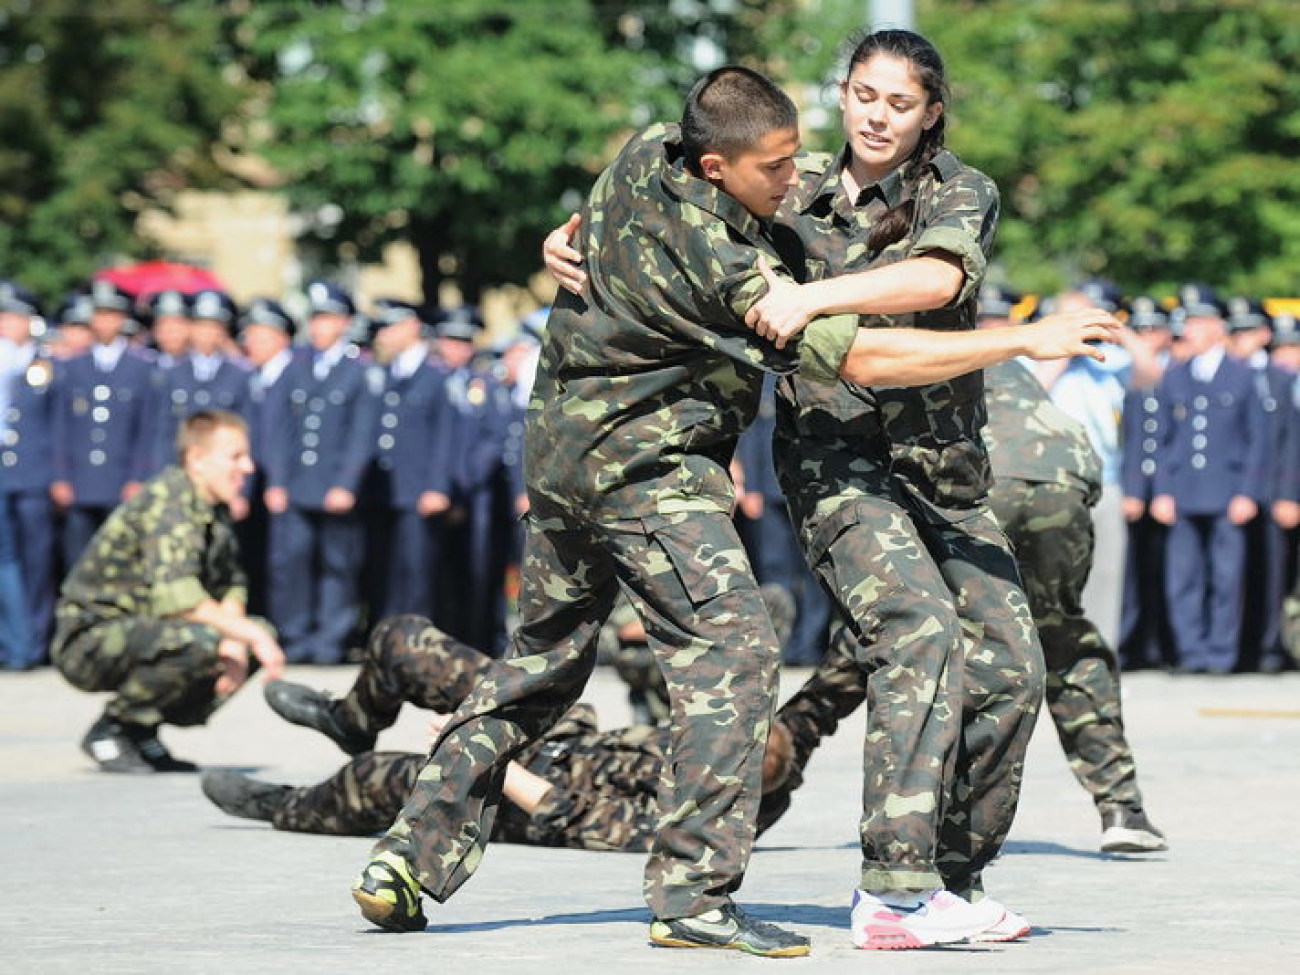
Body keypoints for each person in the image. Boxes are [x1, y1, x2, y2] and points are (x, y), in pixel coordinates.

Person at [371, 64, 1115, 958]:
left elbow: (934, 269)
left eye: (900, 102)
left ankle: (406, 853)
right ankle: (706, 895)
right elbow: (861, 360)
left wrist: (562, 239)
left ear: (933, 113)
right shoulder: (733, 266)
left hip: (571, 456)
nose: (788, 178)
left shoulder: (649, 149)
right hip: (654, 467)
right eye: (774, 166)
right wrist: (1026, 339)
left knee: (541, 662)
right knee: (740, 651)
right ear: (721, 165)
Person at [202, 615, 675, 852]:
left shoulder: (717, 821)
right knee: (404, 639)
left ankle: (287, 805)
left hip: (517, 789)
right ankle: (352, 720)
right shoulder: (735, 736)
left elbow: (576, 818)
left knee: (377, 778)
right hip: (559, 730)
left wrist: (481, 754)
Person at [976, 287, 1167, 853]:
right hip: (1064, 475)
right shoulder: (1017, 352)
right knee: (1065, 635)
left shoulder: (917, 338)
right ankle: (1122, 809)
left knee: (920, 642)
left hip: (994, 482)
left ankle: (940, 823)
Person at [50, 410, 285, 773]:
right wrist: (245, 635)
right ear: (197, 459)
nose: (249, 467)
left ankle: (141, 729)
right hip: (90, 639)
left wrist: (238, 640)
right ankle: (112, 728)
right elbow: (179, 599)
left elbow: (232, 582)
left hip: (145, 630)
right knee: (205, 639)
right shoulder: (170, 502)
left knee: (247, 633)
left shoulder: (210, 506)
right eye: (235, 456)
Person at [1151, 285, 1268, 673]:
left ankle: (1222, 654)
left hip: (1227, 490)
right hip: (1184, 491)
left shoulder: (1242, 375)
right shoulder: (1175, 375)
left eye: (1199, 322)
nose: (1191, 330)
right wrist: (1163, 491)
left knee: (1226, 578)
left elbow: (1257, 440)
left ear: (1218, 327)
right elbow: (1164, 440)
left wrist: (1248, 492)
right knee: (1182, 578)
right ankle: (1191, 652)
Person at [263, 281, 379, 664]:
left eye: (327, 318)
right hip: (295, 485)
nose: (318, 326)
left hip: (334, 487)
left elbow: (362, 434)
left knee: (337, 566)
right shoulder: (294, 366)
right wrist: (276, 480)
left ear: (344, 322)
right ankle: (295, 639)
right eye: (314, 318)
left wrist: (346, 484)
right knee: (291, 564)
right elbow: (276, 429)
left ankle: (330, 641)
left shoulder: (358, 371)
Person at [360, 299, 455, 623]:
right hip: (384, 489)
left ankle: (416, 637)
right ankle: (388, 634)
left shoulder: (436, 376)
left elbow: (445, 437)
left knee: (417, 570)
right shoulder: (384, 374)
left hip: (418, 491)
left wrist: (436, 487)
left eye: (389, 327)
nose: (382, 335)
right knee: (385, 569)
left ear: (411, 326)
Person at [50, 279, 156, 567]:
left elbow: (146, 428)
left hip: (120, 478)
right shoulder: (73, 366)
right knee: (78, 557)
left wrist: (137, 477)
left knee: (121, 558)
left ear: (123, 318)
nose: (104, 321)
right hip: (80, 478)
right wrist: (60, 475)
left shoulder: (141, 367)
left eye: (111, 314)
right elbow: (61, 425)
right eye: (98, 314)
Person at [0, 282, 58, 667]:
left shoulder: (46, 362)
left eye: (13, 317)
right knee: (5, 558)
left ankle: (35, 641)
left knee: (38, 559)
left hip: (36, 471)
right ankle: (14, 643)